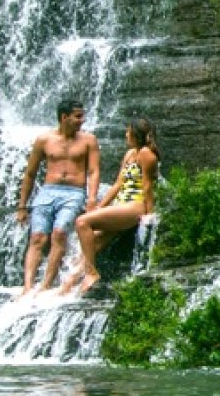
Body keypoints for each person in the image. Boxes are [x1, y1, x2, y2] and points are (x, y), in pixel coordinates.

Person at [59, 118, 159, 296]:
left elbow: (147, 187)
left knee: (82, 223)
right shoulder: (130, 154)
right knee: (92, 243)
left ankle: (91, 274)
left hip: (136, 205)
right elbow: (117, 184)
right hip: (121, 204)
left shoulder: (146, 154)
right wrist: (99, 207)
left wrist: (149, 215)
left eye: (128, 131)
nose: (125, 135)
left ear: (136, 134)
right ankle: (67, 288)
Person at [15, 99, 100, 296]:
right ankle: (27, 287)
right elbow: (30, 173)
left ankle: (45, 285)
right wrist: (22, 206)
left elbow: (94, 171)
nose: (82, 120)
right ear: (64, 117)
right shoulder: (44, 140)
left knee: (60, 233)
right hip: (47, 191)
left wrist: (92, 198)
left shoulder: (89, 140)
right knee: (37, 237)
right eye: (78, 116)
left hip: (74, 193)